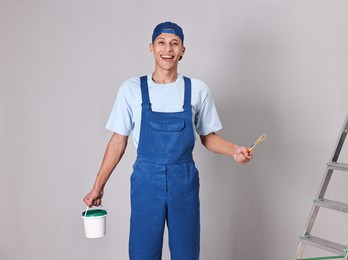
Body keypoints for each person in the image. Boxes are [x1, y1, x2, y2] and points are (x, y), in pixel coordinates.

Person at [83, 21, 252, 260]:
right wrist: (98, 186)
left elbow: (208, 137)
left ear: (183, 50)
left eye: (175, 43)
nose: (168, 49)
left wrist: (235, 150)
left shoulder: (197, 89)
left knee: (186, 252)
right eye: (161, 43)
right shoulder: (131, 89)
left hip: (183, 179)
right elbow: (118, 142)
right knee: (143, 252)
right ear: (151, 47)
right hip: (146, 180)